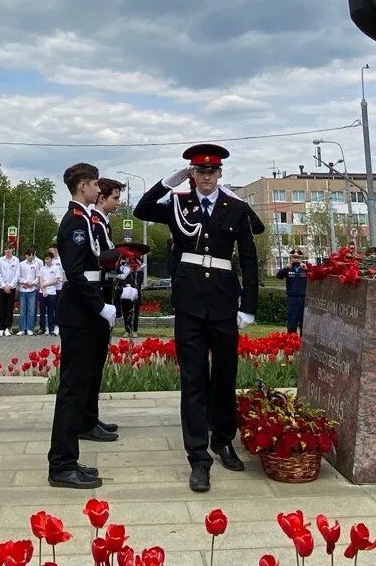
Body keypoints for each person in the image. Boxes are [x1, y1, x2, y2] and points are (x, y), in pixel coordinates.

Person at [134, 143, 262, 493]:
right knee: (192, 380)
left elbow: (249, 259)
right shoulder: (178, 203)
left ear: (220, 174)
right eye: (199, 171)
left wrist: (248, 304)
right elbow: (141, 210)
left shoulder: (236, 207)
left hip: (222, 301)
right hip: (189, 301)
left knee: (224, 375)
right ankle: (198, 458)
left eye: (211, 171)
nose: (206, 177)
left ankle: (222, 439)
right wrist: (166, 182)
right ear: (192, 174)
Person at [47, 163, 114, 489]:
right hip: (79, 314)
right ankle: (61, 465)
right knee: (72, 391)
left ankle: (68, 459)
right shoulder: (75, 221)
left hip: (84, 313)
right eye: (95, 184)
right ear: (84, 185)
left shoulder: (85, 218)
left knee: (78, 387)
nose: (98, 189)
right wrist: (100, 305)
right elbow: (75, 271)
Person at [83, 179, 127, 443]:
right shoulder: (95, 223)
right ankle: (86, 419)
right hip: (96, 296)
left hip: (104, 292)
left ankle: (91, 415)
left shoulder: (102, 223)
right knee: (91, 362)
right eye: (114, 198)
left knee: (97, 361)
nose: (117, 203)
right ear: (102, 199)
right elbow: (97, 261)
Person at [116, 243, 148, 338]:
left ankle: (134, 331)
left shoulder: (139, 267)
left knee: (135, 311)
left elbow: (140, 280)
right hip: (125, 292)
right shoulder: (123, 267)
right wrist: (125, 285)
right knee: (126, 310)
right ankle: (127, 330)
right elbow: (120, 278)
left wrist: (134, 287)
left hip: (135, 293)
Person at [277, 249, 308, 334]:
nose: (296, 259)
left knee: (304, 322)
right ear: (291, 258)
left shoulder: (304, 268)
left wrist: (307, 270)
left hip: (303, 299)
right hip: (292, 299)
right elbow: (279, 276)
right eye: (294, 257)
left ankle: (303, 343)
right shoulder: (288, 268)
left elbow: (313, 277)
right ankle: (291, 343)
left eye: (298, 257)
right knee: (292, 322)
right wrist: (285, 268)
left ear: (301, 258)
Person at [0, 243, 19, 336]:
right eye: (6, 249)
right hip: (1, 287)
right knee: (1, 308)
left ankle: (8, 327)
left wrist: (10, 285)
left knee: (9, 308)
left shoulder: (16, 260)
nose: (8, 250)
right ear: (4, 250)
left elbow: (17, 274)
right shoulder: (0, 260)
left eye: (10, 249)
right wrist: (4, 286)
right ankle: (1, 328)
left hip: (11, 288)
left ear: (12, 250)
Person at [37, 248, 62, 337]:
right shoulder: (42, 268)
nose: (46, 260)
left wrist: (46, 285)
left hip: (52, 293)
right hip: (42, 292)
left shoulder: (56, 268)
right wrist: (43, 290)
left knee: (51, 311)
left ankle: (51, 329)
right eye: (45, 259)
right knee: (42, 311)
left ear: (51, 259)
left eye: (48, 258)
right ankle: (42, 328)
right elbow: (40, 280)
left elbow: (55, 280)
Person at [17, 247, 40, 336]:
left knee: (31, 310)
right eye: (29, 255)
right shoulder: (21, 264)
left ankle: (30, 328)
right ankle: (22, 329)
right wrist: (26, 282)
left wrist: (31, 284)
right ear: (26, 255)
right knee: (22, 310)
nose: (31, 257)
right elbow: (18, 277)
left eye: (32, 255)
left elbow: (38, 277)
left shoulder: (36, 264)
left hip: (32, 290)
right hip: (23, 290)